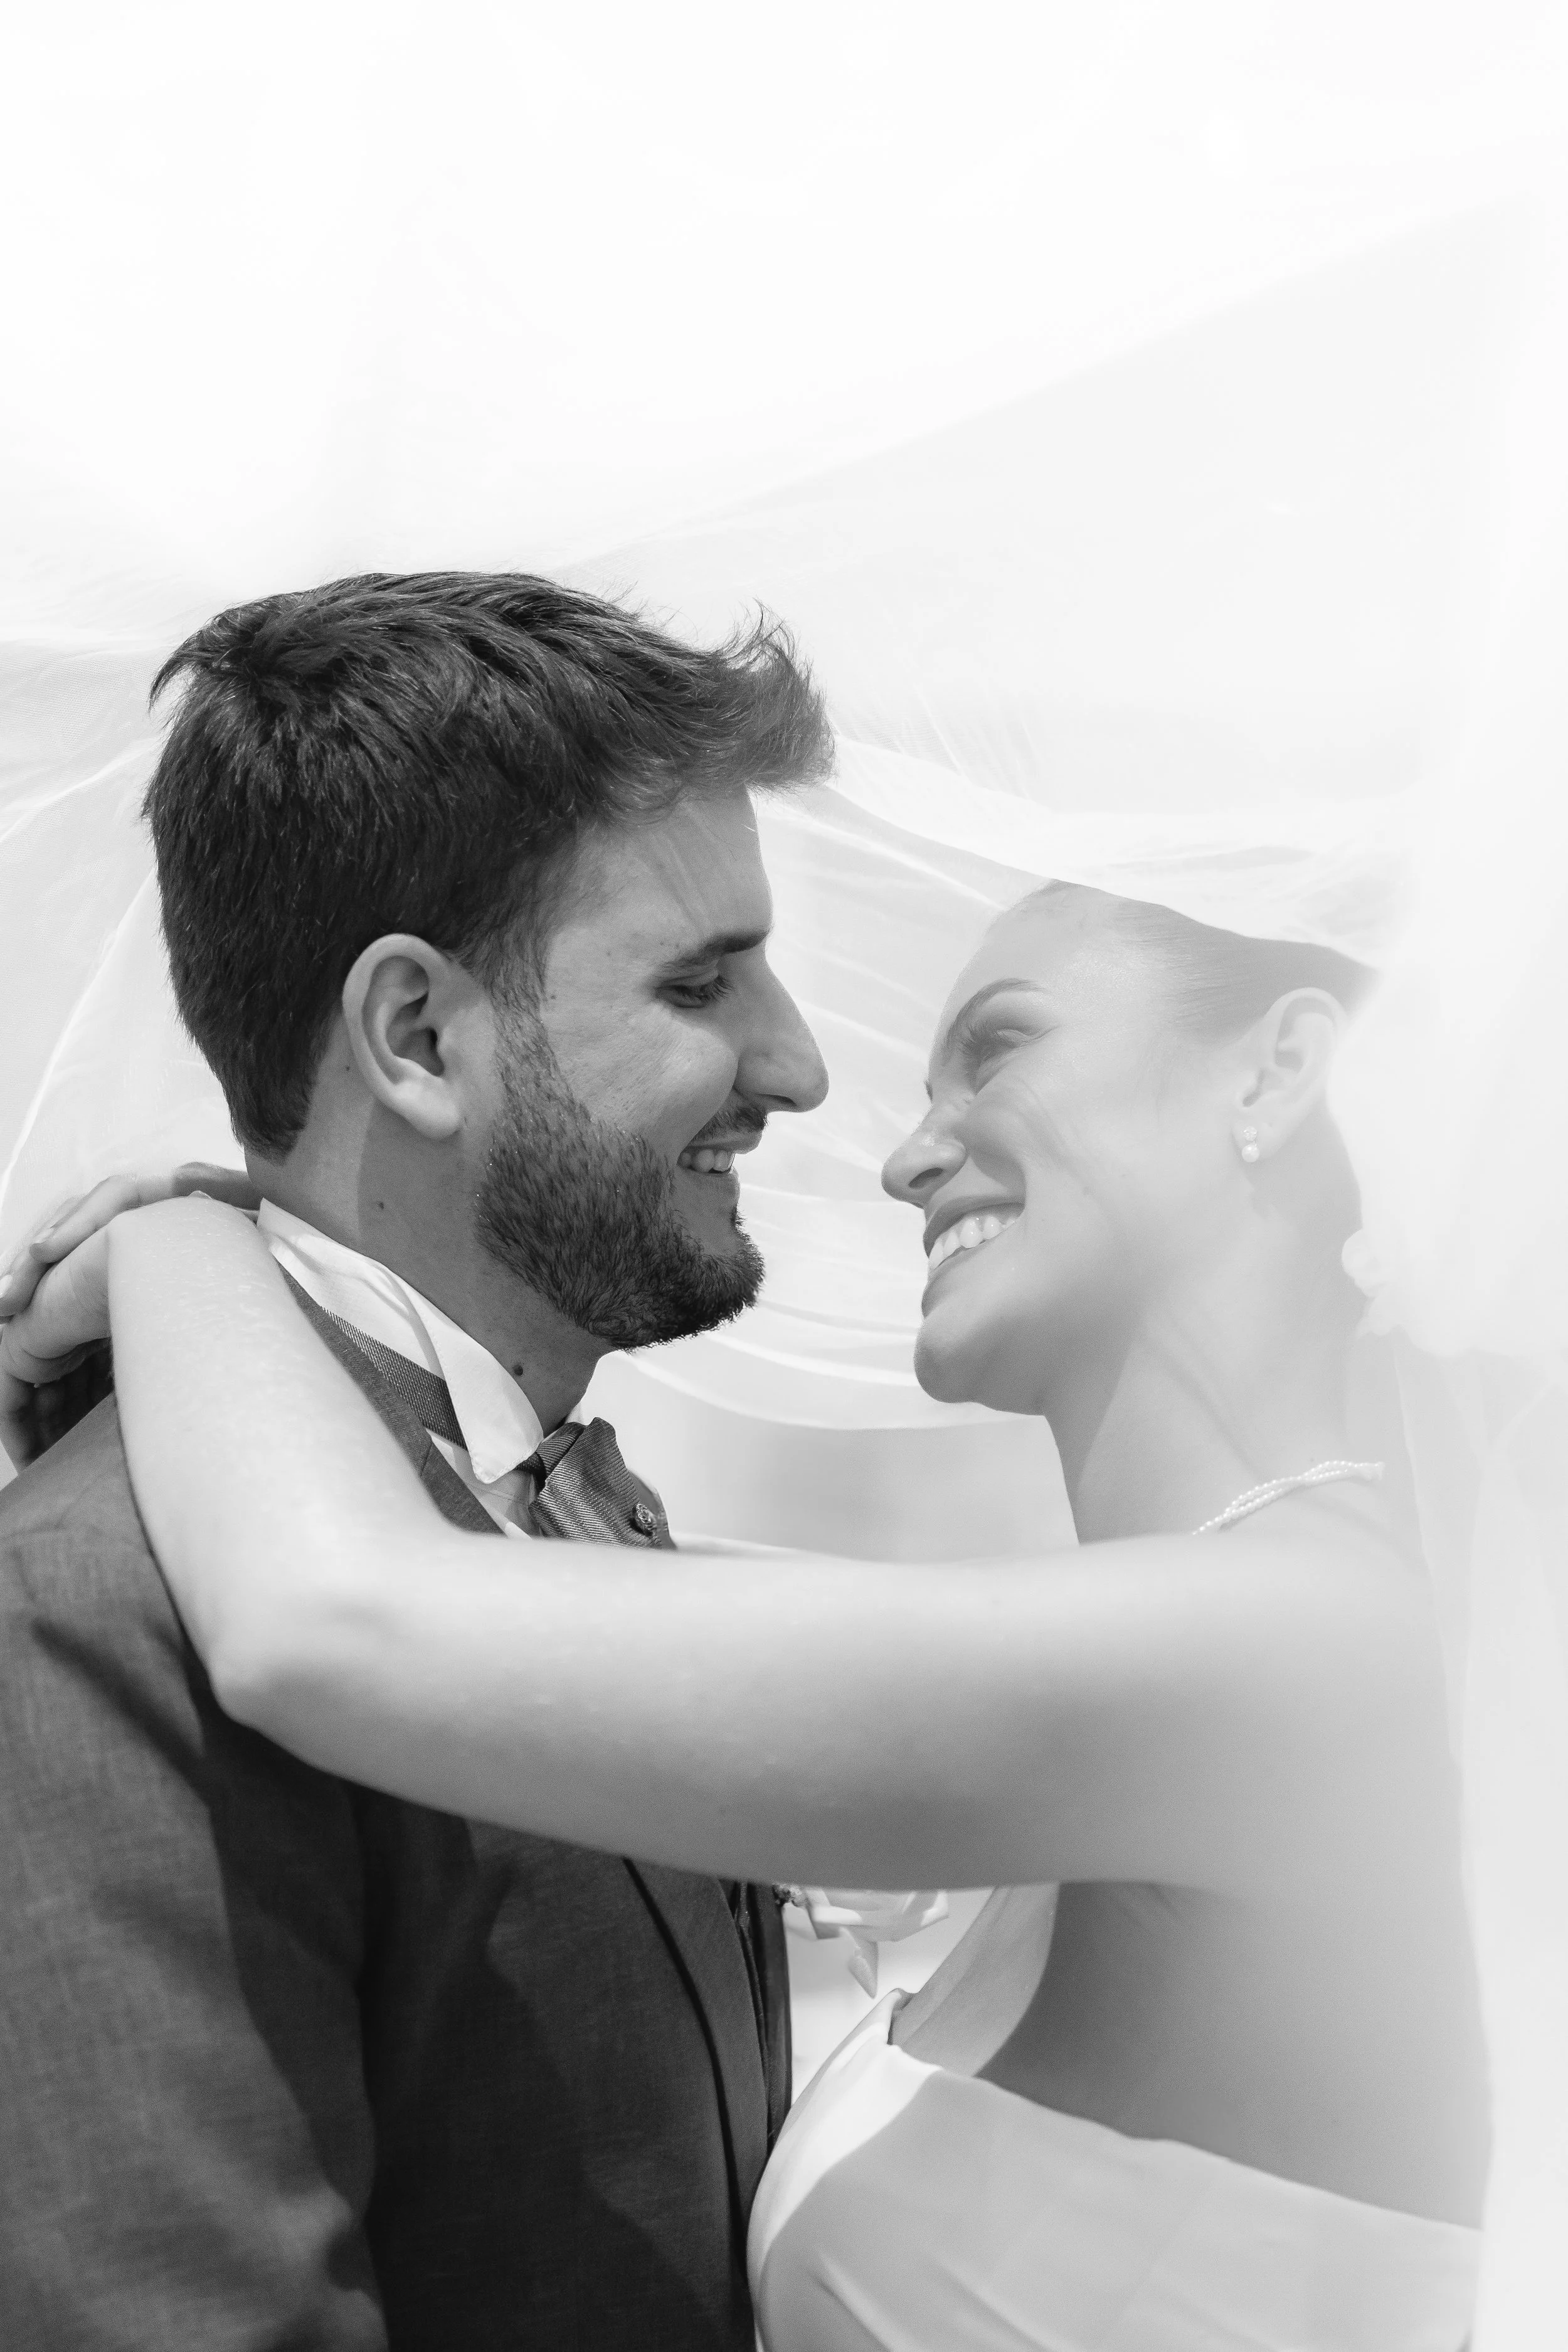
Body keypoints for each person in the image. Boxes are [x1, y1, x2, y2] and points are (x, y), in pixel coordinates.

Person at [4, 875, 1490, 2349]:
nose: (905, 1160)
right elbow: (546, 1569)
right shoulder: (1178, 1635)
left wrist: (185, 1239)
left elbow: (338, 1618)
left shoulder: (1306, 1659)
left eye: (998, 1048)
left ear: (1281, 1069)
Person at [0, 569, 837, 2351]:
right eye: (701, 978)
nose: (802, 1063)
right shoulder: (88, 1606)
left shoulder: (559, 1492)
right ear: (413, 1038)